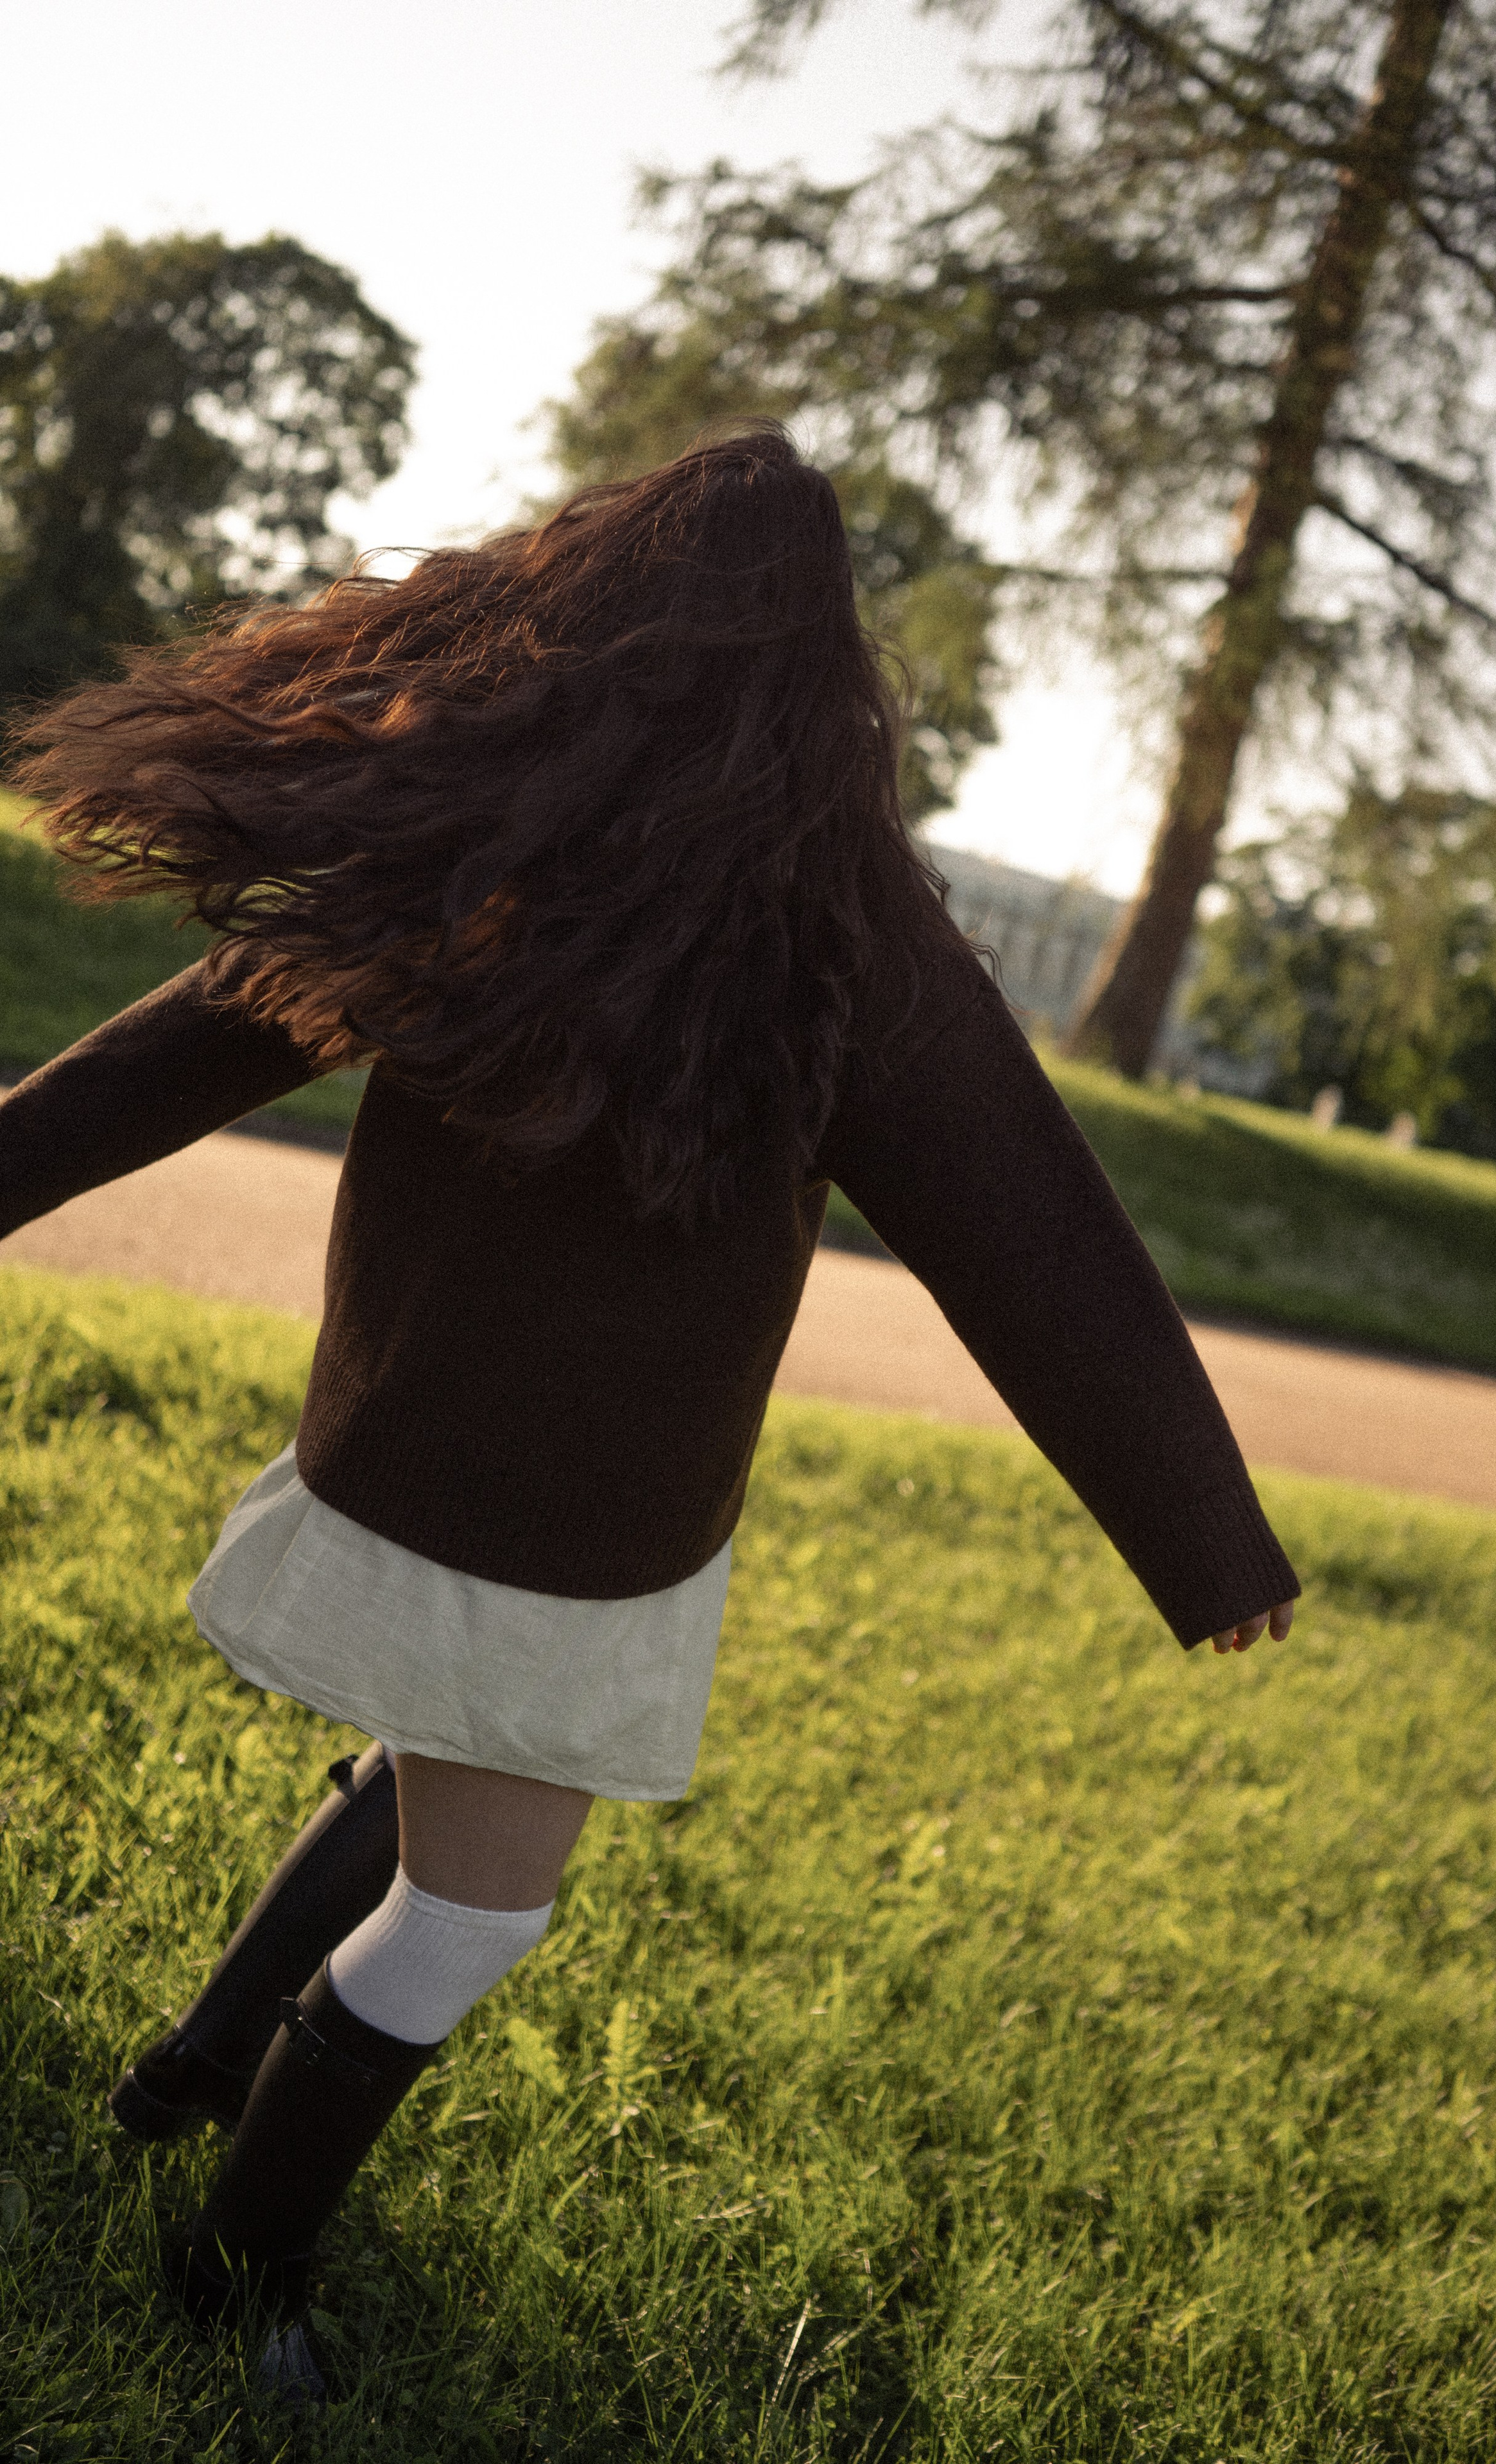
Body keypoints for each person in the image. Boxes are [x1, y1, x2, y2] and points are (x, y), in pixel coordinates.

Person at [0, 429, 1299, 2405]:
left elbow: (150, 1067)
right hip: (579, 1537)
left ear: (581, 612)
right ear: (827, 674)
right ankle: (232, 2267)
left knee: (425, 1765)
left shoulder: (475, 845)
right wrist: (1207, 1545)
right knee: (467, 1921)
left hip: (402, 1456)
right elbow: (1038, 1244)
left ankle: (195, 2068)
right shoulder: (847, 927)